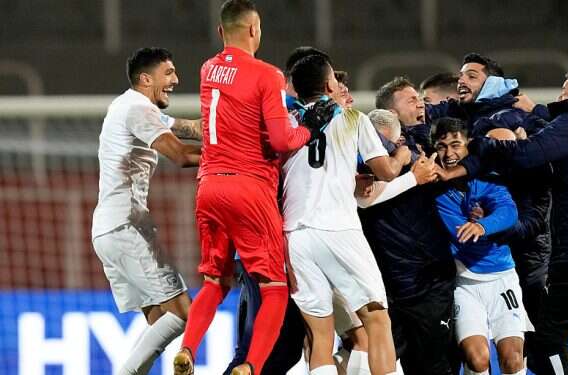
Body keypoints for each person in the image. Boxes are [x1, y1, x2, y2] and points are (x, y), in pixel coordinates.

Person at [173, 2, 335, 375]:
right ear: (254, 30)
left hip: (209, 186)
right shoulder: (267, 75)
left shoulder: (208, 69)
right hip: (250, 188)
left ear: (220, 33)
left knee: (215, 280)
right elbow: (281, 139)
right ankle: (252, 366)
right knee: (275, 285)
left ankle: (187, 350)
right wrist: (310, 128)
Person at [445, 70, 568, 375]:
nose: (559, 98)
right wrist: (535, 113)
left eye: (565, 91)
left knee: (545, 342)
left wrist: (481, 145)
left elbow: (527, 155)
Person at [282, 54, 433, 375]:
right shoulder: (352, 118)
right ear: (327, 85)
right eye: (336, 81)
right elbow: (387, 171)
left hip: (294, 235)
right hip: (338, 230)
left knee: (320, 336)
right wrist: (404, 156)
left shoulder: (286, 123)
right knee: (377, 320)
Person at [91, 47, 202, 375]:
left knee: (159, 323)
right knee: (183, 313)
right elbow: (181, 155)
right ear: (145, 78)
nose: (175, 80)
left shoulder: (129, 105)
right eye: (168, 73)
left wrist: (228, 123)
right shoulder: (137, 109)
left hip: (107, 229)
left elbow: (188, 127)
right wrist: (236, 155)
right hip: (127, 226)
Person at [428, 53, 553, 338]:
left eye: (472, 76)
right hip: (496, 243)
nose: (462, 80)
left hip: (525, 242)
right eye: (461, 76)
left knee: (544, 341)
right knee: (508, 346)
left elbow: (535, 191)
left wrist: (501, 227)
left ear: (493, 83)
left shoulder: (507, 117)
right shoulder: (468, 117)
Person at [361, 77, 460, 375]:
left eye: (419, 99)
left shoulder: (433, 146)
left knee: (438, 365)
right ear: (390, 112)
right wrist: (407, 166)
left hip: (431, 280)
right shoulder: (373, 154)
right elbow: (364, 197)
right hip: (391, 283)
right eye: (410, 100)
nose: (419, 104)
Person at [433, 118, 530, 375]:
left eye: (456, 145)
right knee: (477, 359)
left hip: (502, 279)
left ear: (468, 147)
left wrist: (483, 225)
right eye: (442, 146)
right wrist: (478, 226)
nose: (449, 153)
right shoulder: (436, 191)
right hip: (465, 284)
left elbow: (508, 211)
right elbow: (458, 233)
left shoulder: (487, 179)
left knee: (512, 359)